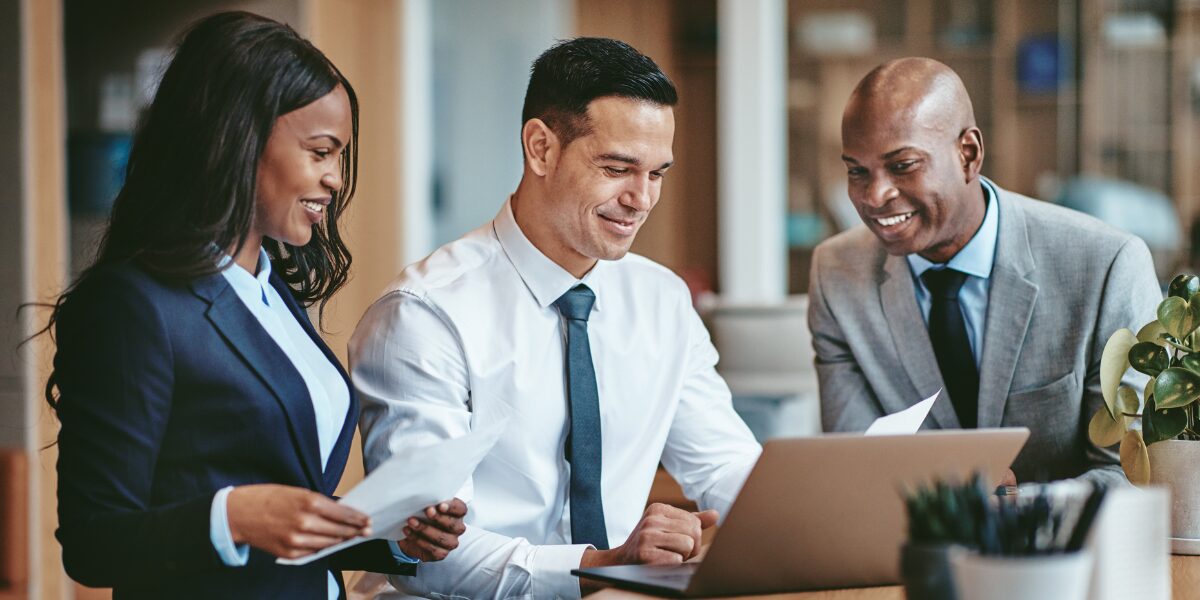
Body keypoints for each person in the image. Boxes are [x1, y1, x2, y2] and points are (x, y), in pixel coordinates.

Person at [46, 12, 464, 598]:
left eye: (339, 156)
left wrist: (392, 532)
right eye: (320, 152)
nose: (336, 178)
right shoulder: (134, 307)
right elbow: (95, 542)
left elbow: (283, 504)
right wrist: (234, 516)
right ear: (237, 140)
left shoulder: (271, 293)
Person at [350, 37, 762, 598]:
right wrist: (602, 563)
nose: (641, 199)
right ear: (541, 148)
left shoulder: (662, 300)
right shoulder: (424, 315)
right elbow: (430, 554)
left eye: (657, 174)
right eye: (618, 168)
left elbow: (724, 467)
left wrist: (812, 527)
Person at [808, 57, 1161, 485]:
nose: (874, 195)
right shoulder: (836, 274)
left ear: (968, 154)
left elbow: (1129, 474)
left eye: (903, 166)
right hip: (911, 548)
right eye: (857, 171)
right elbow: (856, 467)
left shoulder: (1106, 266)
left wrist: (1014, 509)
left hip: (1065, 548)